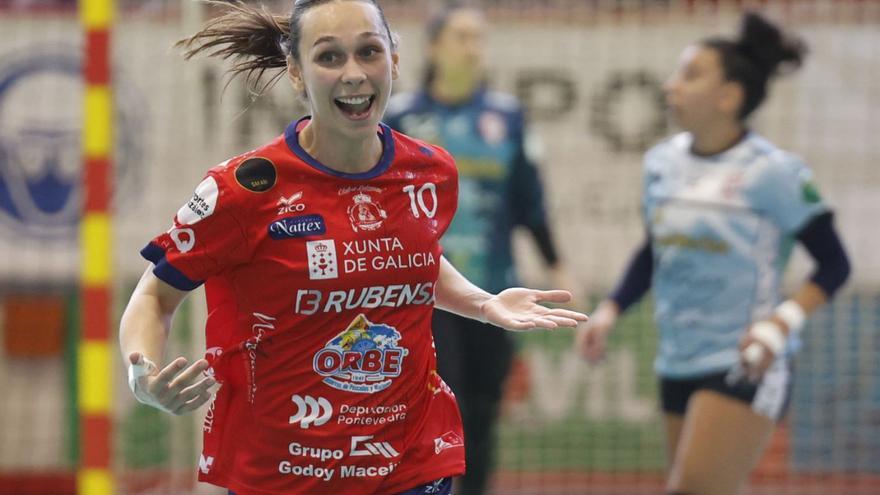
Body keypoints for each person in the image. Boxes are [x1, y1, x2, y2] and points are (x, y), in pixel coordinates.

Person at [118, 1, 587, 495]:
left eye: (369, 52)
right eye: (329, 58)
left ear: (396, 60)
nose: (354, 74)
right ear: (296, 74)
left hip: (408, 463)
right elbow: (153, 297)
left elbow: (413, 258)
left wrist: (484, 303)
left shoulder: (430, 172)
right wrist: (142, 377)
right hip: (277, 471)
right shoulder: (244, 191)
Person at [575, 12, 850, 495]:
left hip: (743, 358)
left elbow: (835, 264)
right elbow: (654, 250)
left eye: (690, 74)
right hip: (677, 358)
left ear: (729, 96)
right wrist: (610, 310)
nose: (671, 84)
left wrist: (779, 324)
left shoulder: (773, 173)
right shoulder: (662, 163)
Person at [383, 4, 574, 494]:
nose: (473, 47)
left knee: (485, 408)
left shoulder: (505, 117)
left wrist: (557, 263)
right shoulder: (402, 116)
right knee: (445, 401)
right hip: (428, 290)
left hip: (496, 284)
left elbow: (529, 199)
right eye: (462, 37)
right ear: (436, 48)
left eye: (478, 38)